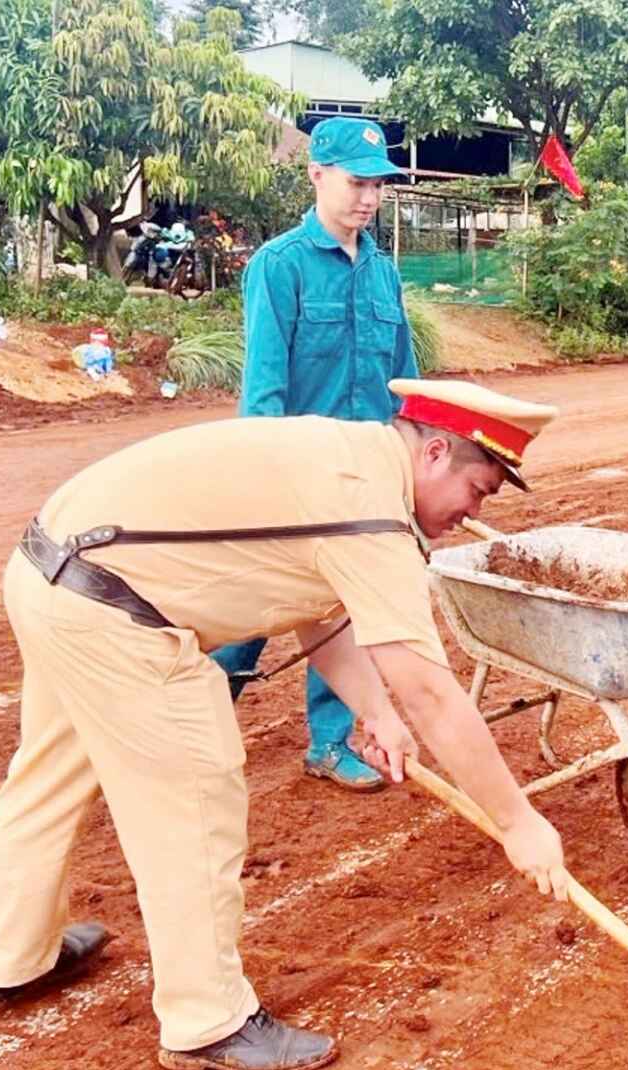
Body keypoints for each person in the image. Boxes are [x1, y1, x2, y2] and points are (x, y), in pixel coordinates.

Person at [0, 378, 570, 1070]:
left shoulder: (351, 458)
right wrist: (517, 822)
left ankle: (14, 958)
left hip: (51, 576)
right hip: (112, 611)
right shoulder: (371, 513)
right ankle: (206, 1019)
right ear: (436, 453)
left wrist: (374, 713)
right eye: (479, 490)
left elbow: (314, 601)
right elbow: (433, 693)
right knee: (195, 796)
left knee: (50, 775)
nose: (471, 513)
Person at [210, 115, 419, 794]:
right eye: (357, 182)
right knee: (252, 617)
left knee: (342, 614)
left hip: (361, 483)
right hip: (293, 481)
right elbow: (263, 392)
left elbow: (404, 390)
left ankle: (329, 743)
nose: (368, 197)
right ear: (316, 175)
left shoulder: (384, 275)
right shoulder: (281, 267)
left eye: (378, 186)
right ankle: (181, 737)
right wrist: (263, 490)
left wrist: (410, 473)